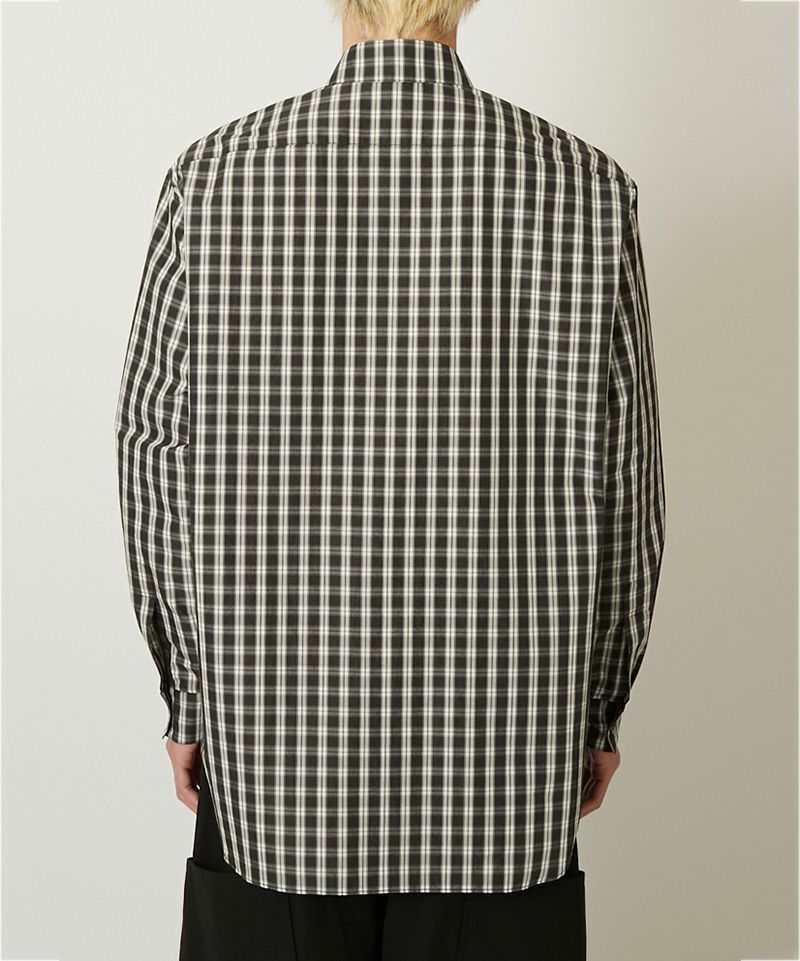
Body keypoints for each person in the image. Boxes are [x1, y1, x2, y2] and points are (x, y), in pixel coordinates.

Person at [113, 1, 667, 958]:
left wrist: (190, 693)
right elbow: (626, 484)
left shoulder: (210, 180)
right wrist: (597, 706)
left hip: (276, 760)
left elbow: (155, 455)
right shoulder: (586, 188)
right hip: (503, 767)